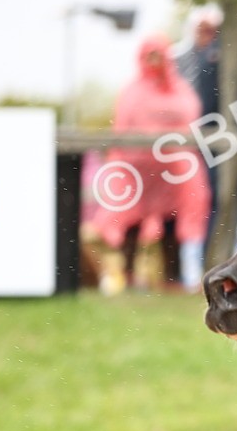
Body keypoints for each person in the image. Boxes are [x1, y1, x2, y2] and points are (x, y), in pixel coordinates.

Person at [88, 34, 210, 294]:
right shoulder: (132, 91)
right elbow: (122, 126)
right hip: (138, 167)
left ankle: (173, 277)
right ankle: (128, 275)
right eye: (149, 56)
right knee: (132, 221)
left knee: (172, 221)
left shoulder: (180, 89)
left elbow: (191, 121)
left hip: (173, 169)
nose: (154, 61)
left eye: (158, 55)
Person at [175, 9, 221, 118]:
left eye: (210, 31)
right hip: (184, 112)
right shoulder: (178, 56)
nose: (206, 35)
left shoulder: (218, 56)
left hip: (211, 115)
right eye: (202, 30)